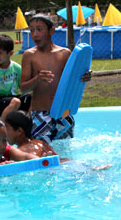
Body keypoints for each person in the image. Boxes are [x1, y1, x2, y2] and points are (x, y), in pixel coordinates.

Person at [20, 14, 91, 144]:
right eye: (31, 30)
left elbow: (73, 81)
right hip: (40, 114)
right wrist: (37, 79)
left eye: (39, 29)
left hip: (63, 113)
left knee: (66, 151)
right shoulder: (29, 56)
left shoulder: (64, 54)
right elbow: (23, 89)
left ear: (51, 31)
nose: (35, 34)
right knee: (41, 152)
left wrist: (84, 77)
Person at [0, 34, 32, 121]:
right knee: (16, 102)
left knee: (31, 99)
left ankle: (29, 124)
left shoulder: (16, 68)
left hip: (13, 100)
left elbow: (23, 88)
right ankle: (2, 127)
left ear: (11, 53)